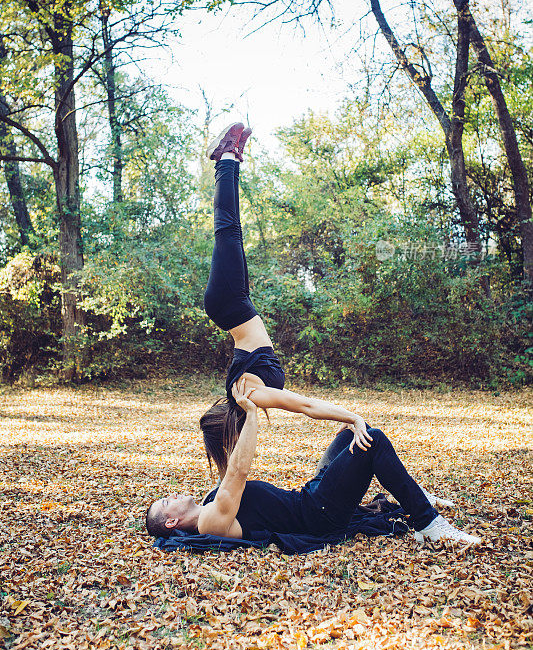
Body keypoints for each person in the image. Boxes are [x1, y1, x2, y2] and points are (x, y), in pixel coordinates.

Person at [201, 122, 372, 479]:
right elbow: (304, 403)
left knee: (228, 230)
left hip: (230, 304)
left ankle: (226, 157)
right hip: (234, 304)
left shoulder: (251, 396)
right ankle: (229, 158)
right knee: (231, 233)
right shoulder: (245, 396)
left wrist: (352, 417)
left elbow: (306, 406)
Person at [146, 380, 481, 546]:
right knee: (371, 440)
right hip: (317, 514)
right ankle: (428, 521)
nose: (172, 495)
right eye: (166, 501)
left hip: (307, 497)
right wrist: (250, 413)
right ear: (172, 522)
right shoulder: (211, 523)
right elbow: (238, 470)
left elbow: (229, 462)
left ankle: (408, 495)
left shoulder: (208, 502)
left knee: (349, 434)